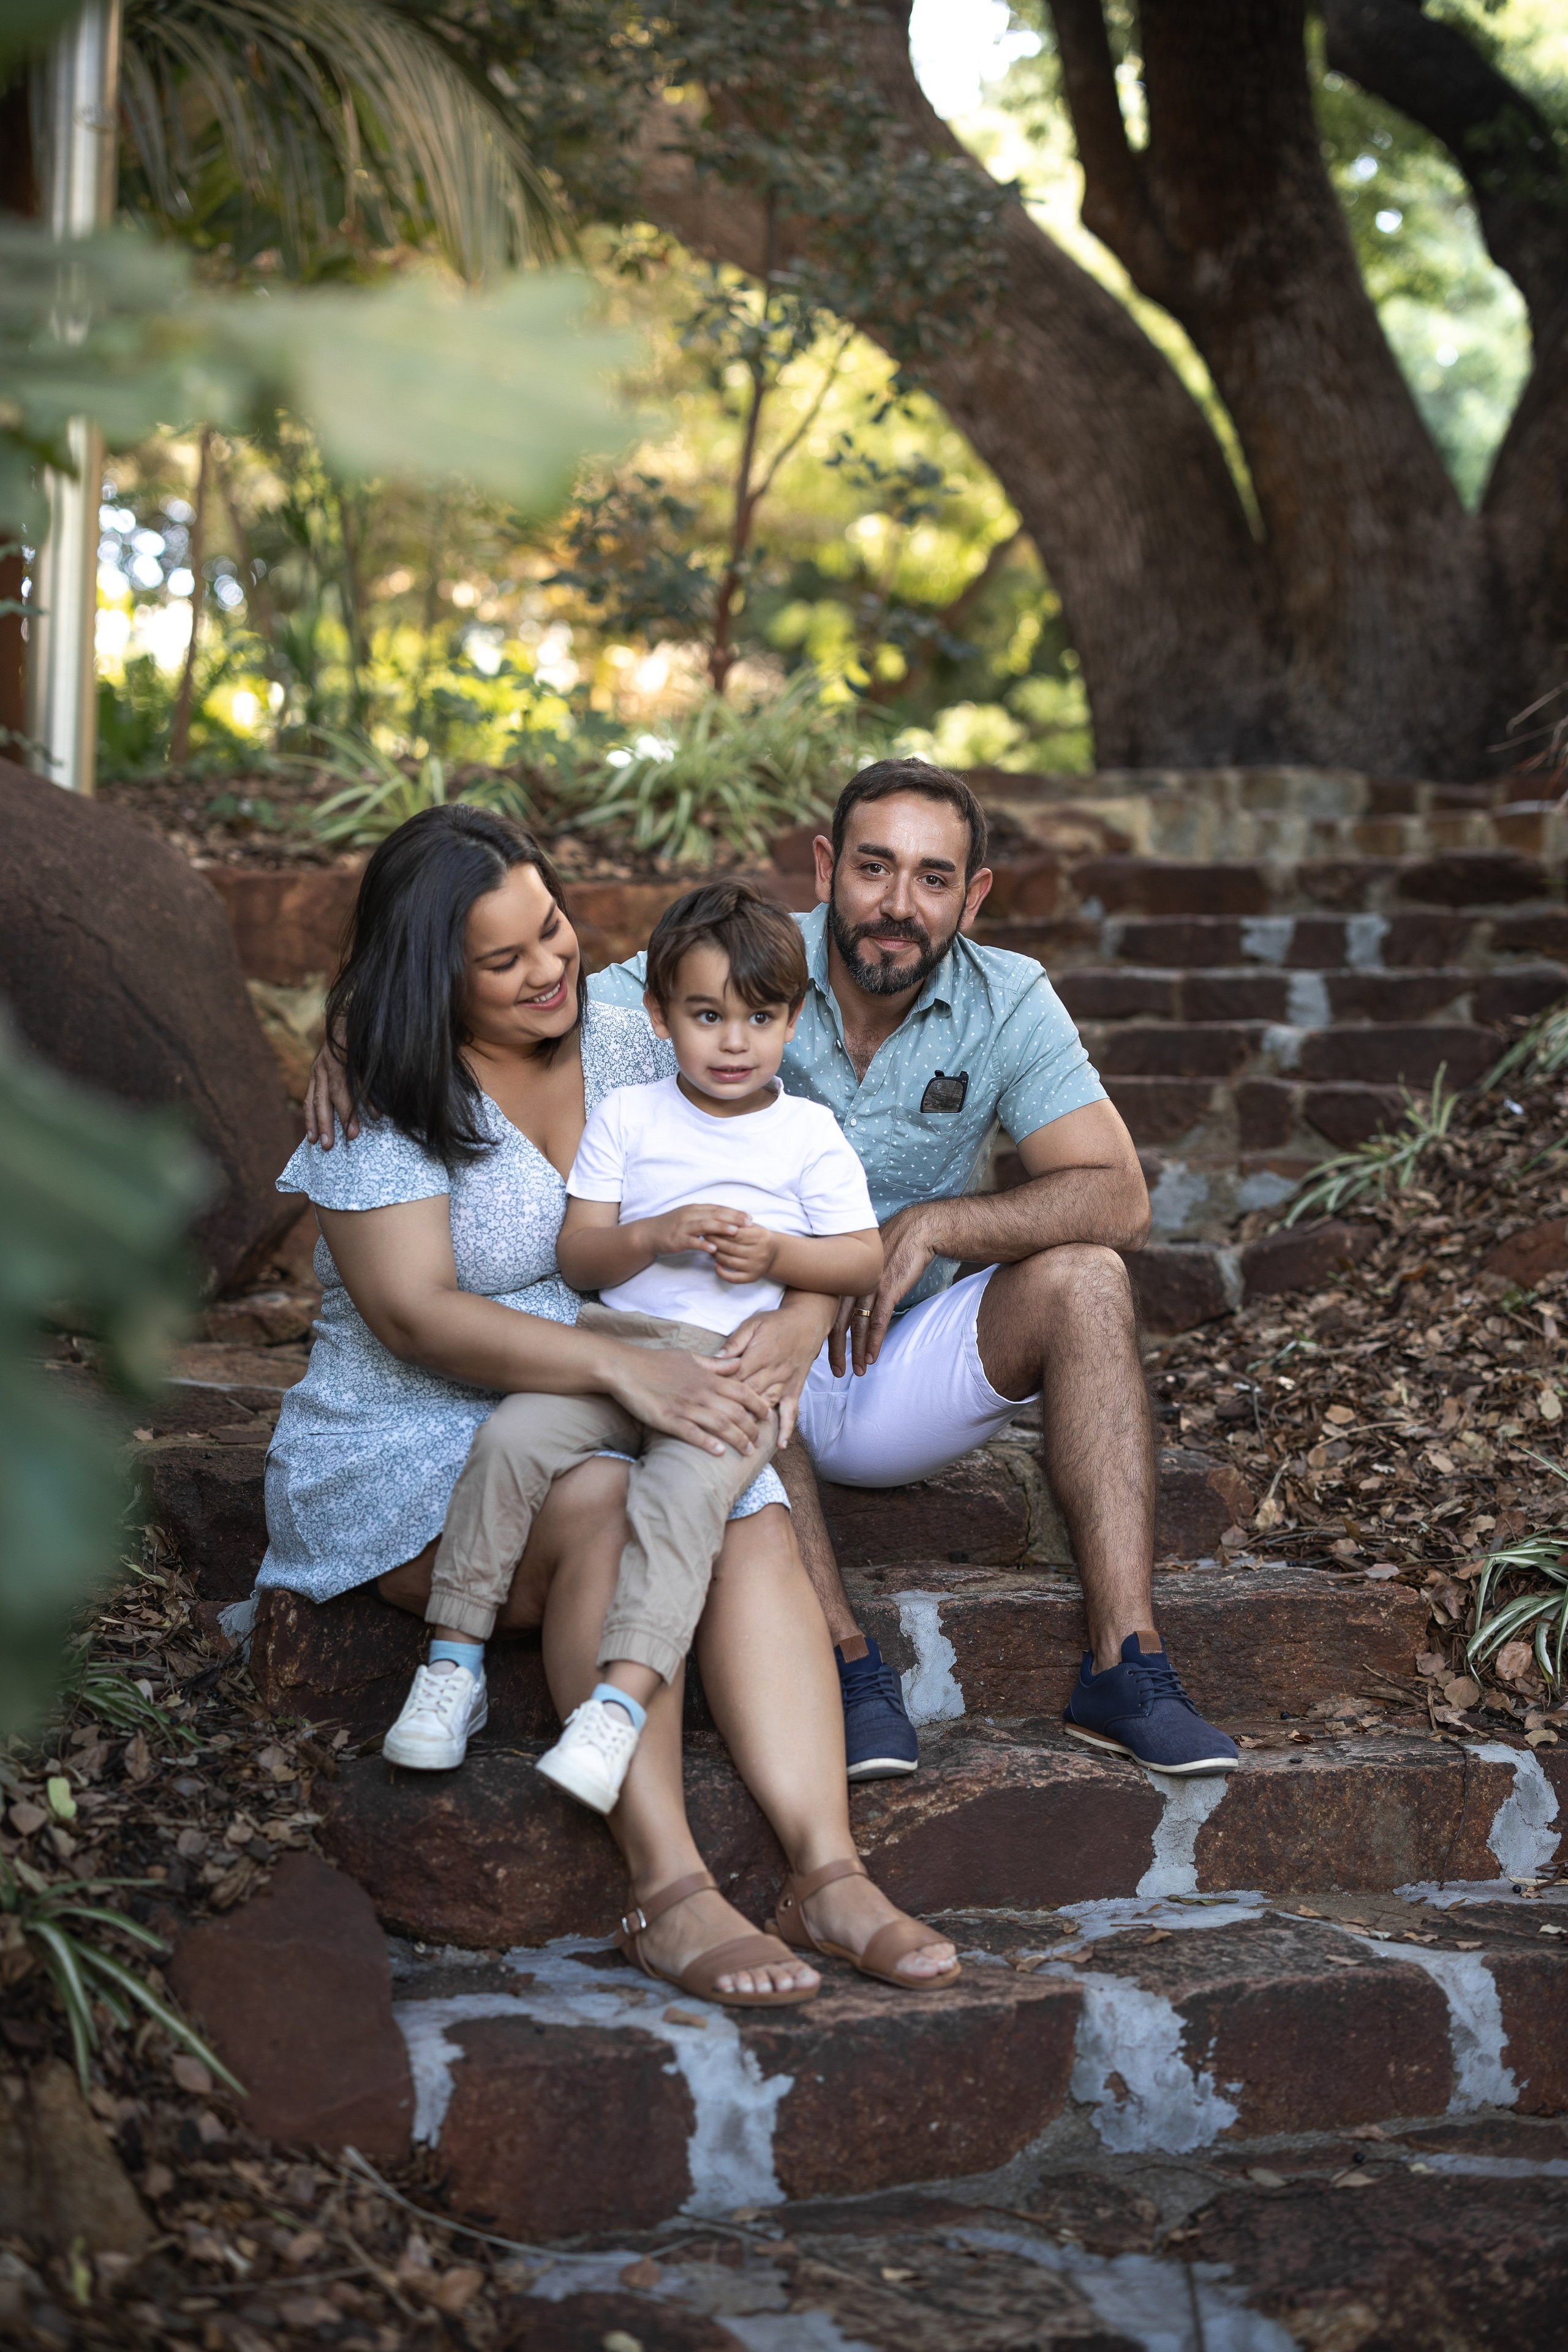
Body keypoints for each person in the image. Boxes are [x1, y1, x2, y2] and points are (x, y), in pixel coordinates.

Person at [307, 760, 1238, 1780]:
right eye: (875, 867)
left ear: (973, 897)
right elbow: (531, 992)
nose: (897, 903)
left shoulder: (1007, 999)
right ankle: (843, 1666)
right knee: (734, 1319)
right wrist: (357, 1030)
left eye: (934, 879)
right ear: (828, 867)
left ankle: (1128, 1665)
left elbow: (1121, 1197)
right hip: (734, 1341)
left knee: (1092, 1278)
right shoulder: (733, 960)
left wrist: (936, 1224)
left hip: (889, 1353)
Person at [265, 802, 958, 2006]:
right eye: (504, 958)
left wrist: (794, 1325)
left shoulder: (637, 1026)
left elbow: (774, 956)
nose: (549, 970)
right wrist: (624, 1371)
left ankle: (826, 1873)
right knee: (616, 1497)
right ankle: (667, 1894)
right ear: (434, 977)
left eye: (553, 929)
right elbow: (415, 1313)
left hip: (628, 1374)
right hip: (417, 1430)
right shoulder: (382, 1095)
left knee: (742, 1507)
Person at [385, 877, 881, 1815]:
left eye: (759, 1017)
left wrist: (777, 1255)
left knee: (677, 1501)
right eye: (705, 1015)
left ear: (795, 1019)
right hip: (613, 1346)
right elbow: (578, 1258)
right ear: (657, 1017)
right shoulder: (632, 1115)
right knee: (509, 1443)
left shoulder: (808, 1134)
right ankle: (453, 1663)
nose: (733, 1042)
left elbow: (863, 1259)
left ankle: (620, 1701)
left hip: (730, 1373)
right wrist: (651, 1237)